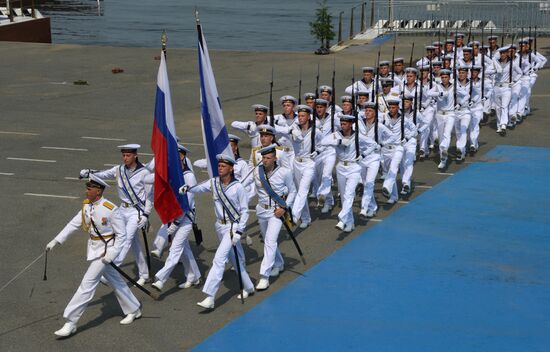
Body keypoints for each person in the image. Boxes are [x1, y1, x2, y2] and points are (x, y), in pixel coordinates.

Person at [45, 175, 141, 337]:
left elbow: (122, 235)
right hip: (95, 249)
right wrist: (56, 241)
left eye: (89, 189)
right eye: (87, 188)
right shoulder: (87, 207)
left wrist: (112, 253)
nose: (86, 191)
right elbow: (73, 224)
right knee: (116, 280)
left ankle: (71, 322)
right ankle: (134, 309)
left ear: (99, 191)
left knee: (87, 284)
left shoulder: (110, 209)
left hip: (105, 251)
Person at [181, 155, 254, 309]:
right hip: (219, 226)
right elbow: (199, 187)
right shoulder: (214, 183)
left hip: (232, 227)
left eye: (223, 166)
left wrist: (240, 231)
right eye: (219, 165)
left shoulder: (238, 187)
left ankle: (210, 296)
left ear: (231, 168)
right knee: (234, 258)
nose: (220, 168)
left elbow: (245, 211)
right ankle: (248, 286)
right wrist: (187, 188)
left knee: (219, 259)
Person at [80, 144, 152, 286]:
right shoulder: (119, 170)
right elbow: (104, 174)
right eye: (123, 155)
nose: (125, 158)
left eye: (128, 155)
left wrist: (146, 215)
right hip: (122, 210)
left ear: (135, 155)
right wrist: (89, 172)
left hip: (136, 212)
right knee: (134, 243)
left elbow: (150, 196)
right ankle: (144, 274)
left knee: (125, 240)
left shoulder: (145, 173)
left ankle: (110, 269)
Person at [151, 144, 202, 292]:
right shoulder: (172, 173)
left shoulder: (188, 176)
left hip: (186, 218)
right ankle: (194, 276)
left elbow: (188, 202)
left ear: (182, 157)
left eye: (175, 156)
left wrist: (176, 222)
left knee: (175, 248)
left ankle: (161, 279)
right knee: (184, 249)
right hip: (173, 216)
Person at [246, 144, 297, 290]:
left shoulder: (284, 172)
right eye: (263, 158)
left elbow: (293, 191)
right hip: (261, 210)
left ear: (275, 158)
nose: (265, 160)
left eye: (268, 158)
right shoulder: (256, 171)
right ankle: (279, 263)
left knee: (269, 241)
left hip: (276, 212)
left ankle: (264, 276)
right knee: (268, 241)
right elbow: (243, 184)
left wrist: (284, 207)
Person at [321, 115, 378, 232]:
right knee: (343, 196)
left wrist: (364, 155)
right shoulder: (336, 135)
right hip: (341, 167)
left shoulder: (357, 136)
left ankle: (342, 219)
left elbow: (373, 144)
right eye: (341, 123)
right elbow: (323, 141)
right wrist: (339, 141)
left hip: (354, 167)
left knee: (349, 194)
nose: (343, 125)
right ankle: (349, 222)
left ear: (351, 124)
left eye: (345, 124)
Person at [427, 69, 456, 170]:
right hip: (439, 114)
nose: (444, 79)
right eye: (442, 77)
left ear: (449, 78)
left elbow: (466, 94)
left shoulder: (455, 86)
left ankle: (444, 147)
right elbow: (428, 93)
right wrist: (440, 94)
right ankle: (443, 159)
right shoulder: (437, 86)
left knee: (447, 133)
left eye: (446, 77)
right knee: (440, 137)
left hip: (451, 113)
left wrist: (460, 104)